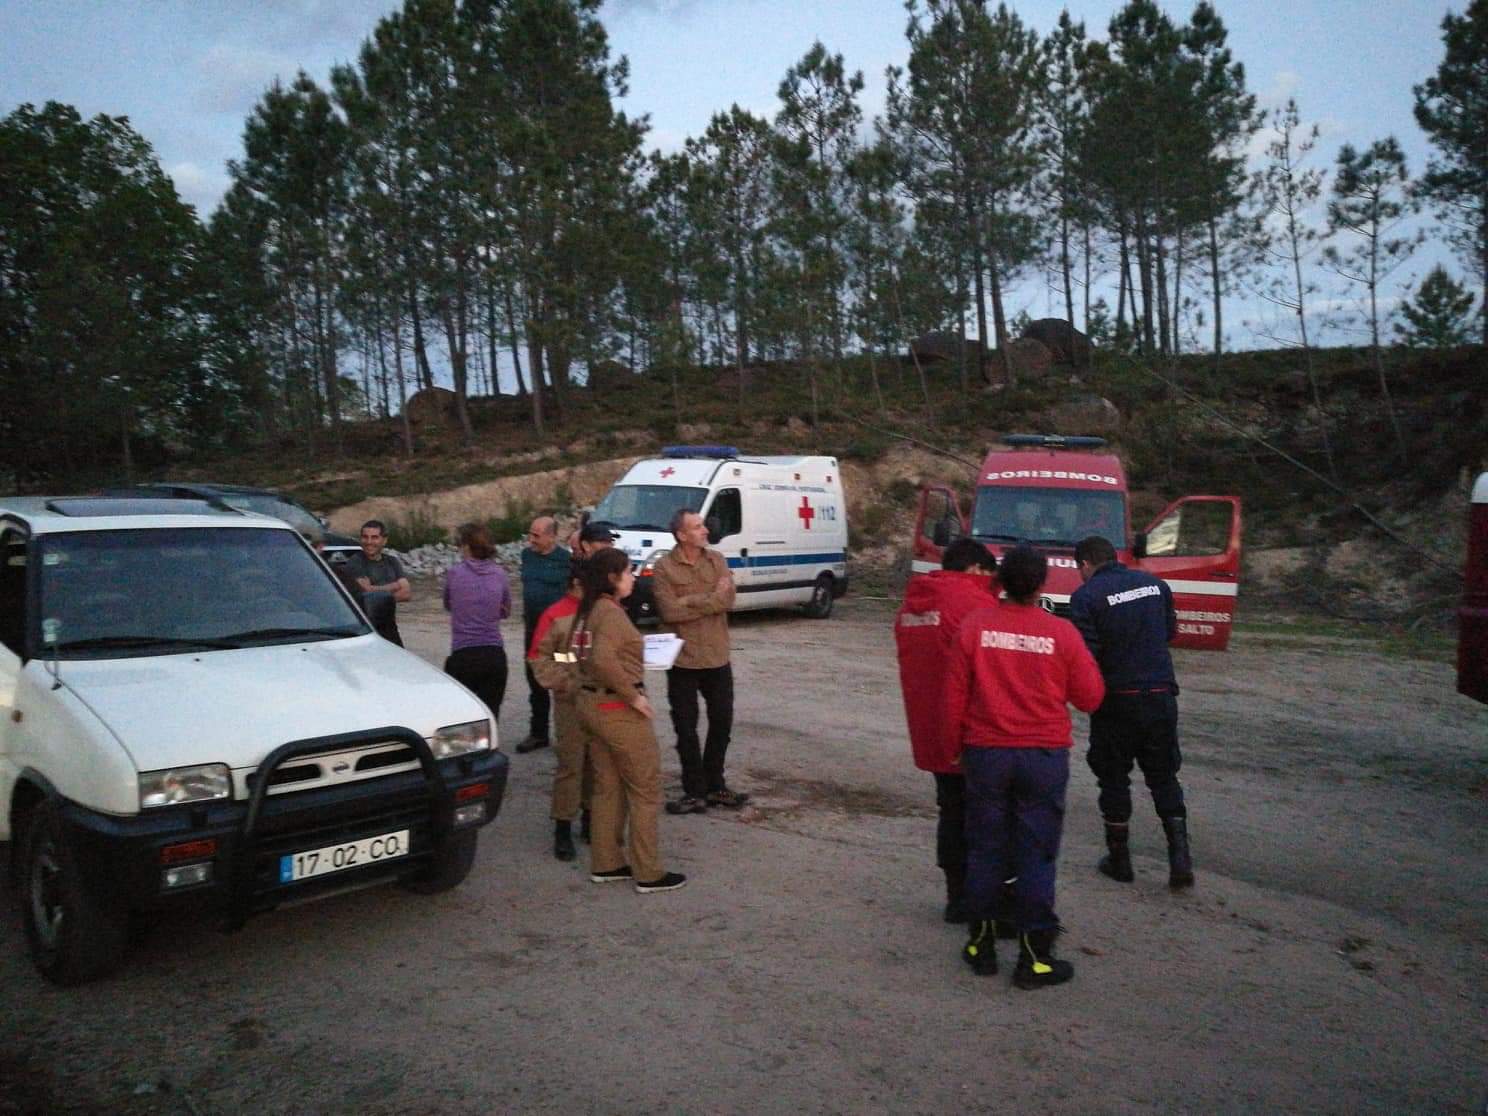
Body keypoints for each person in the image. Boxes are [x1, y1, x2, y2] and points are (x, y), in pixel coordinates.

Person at [944, 545, 1105, 989]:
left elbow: (953, 698)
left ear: (999, 581)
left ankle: (981, 944)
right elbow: (1091, 697)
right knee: (1036, 853)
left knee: (985, 848)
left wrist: (953, 747)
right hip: (1042, 757)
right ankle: (1035, 957)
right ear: (1041, 585)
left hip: (987, 754)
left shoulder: (974, 628)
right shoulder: (1062, 634)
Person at [1070, 535, 1194, 890]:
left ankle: (1120, 860)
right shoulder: (1156, 585)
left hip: (1116, 701)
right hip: (1159, 696)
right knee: (1164, 776)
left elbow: (1085, 653)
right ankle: (1180, 858)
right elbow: (1170, 631)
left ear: (1085, 565)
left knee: (1113, 777)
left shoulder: (1086, 597)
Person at [893, 538, 1000, 923]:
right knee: (985, 819)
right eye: (989, 576)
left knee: (951, 812)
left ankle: (956, 898)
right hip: (975, 733)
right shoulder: (974, 604)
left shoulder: (911, 605)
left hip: (932, 732)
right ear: (974, 570)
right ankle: (984, 903)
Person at [570, 547, 687, 893]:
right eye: (628, 572)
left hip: (592, 705)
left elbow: (583, 655)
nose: (633, 577)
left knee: (608, 788)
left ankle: (607, 863)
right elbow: (606, 660)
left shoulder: (588, 610)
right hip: (616, 709)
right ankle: (648, 872)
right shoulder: (610, 614)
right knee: (645, 789)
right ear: (612, 578)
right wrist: (632, 695)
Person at [652, 508, 746, 815]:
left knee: (722, 722)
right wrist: (710, 600)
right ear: (681, 535)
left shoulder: (717, 560)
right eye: (697, 527)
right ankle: (693, 791)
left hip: (717, 657)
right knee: (686, 728)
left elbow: (728, 599)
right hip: (683, 661)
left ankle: (715, 784)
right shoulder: (664, 567)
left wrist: (691, 601)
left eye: (703, 525)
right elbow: (669, 612)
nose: (705, 530)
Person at [528, 558, 594, 862]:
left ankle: (592, 820)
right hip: (570, 700)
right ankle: (563, 827)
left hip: (602, 699)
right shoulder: (555, 614)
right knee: (571, 764)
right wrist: (566, 683)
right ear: (578, 583)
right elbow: (539, 658)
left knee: (598, 763)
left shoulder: (604, 611)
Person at [442, 522, 512, 728]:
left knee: (463, 719)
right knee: (491, 715)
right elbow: (506, 611)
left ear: (466, 546)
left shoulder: (455, 574)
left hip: (463, 654)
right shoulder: (500, 574)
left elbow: (448, 604)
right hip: (493, 654)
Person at [518, 516, 571, 753]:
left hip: (559, 635)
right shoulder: (526, 556)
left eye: (536, 536)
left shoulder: (566, 561)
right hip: (533, 630)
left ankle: (569, 734)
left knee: (565, 676)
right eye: (530, 534)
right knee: (534, 677)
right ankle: (538, 732)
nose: (531, 540)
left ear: (552, 536)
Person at [342, 520, 412, 646]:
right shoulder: (355, 562)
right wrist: (394, 586)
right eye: (365, 537)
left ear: (384, 540)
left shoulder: (392, 561)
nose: (369, 542)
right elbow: (365, 592)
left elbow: (406, 593)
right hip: (364, 631)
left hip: (390, 629)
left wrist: (376, 592)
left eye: (374, 537)